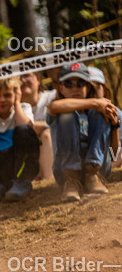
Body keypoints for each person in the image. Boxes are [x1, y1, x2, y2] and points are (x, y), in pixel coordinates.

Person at [48, 63, 115, 201]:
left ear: (88, 87)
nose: (75, 88)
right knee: (67, 114)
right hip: (65, 172)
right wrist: (96, 103)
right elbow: (54, 106)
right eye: (68, 84)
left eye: (80, 83)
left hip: (99, 169)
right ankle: (71, 180)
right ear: (61, 88)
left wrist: (115, 126)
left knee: (101, 112)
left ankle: (92, 174)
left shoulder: (102, 109)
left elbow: (114, 152)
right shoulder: (57, 109)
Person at [19, 71, 57, 180]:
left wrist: (38, 126)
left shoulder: (52, 97)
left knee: (47, 134)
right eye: (18, 77)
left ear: (38, 79)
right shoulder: (9, 105)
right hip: (25, 157)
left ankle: (49, 182)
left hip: (56, 150)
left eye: (26, 76)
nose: (22, 81)